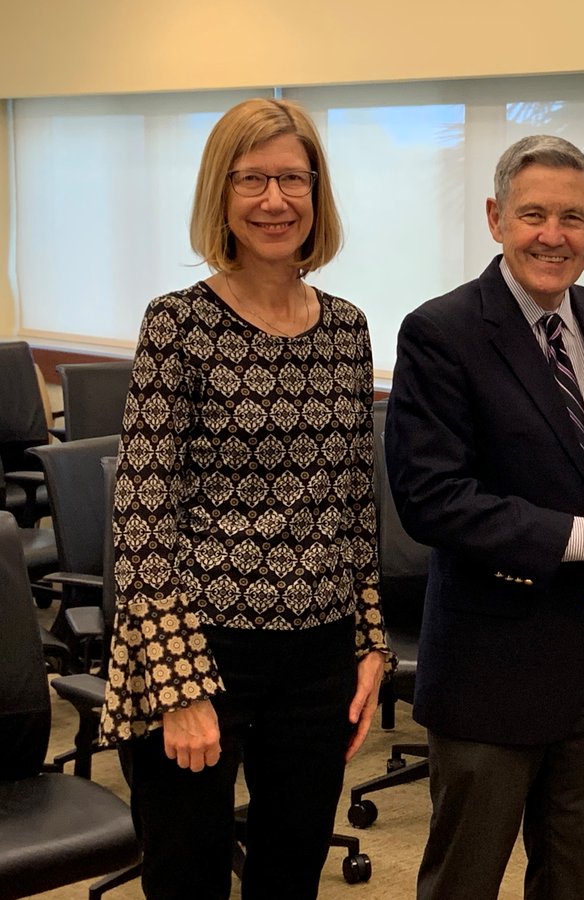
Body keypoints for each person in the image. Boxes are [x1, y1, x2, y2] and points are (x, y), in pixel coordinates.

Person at [386, 134, 584, 900]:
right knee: (464, 880)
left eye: (571, 217)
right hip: (490, 670)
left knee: (574, 881)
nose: (552, 236)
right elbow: (431, 497)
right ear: (497, 217)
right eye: (532, 214)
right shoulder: (443, 332)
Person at [99, 98, 390, 900]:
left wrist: (369, 641)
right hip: (204, 648)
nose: (274, 200)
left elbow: (352, 505)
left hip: (319, 650)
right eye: (252, 179)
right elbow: (143, 517)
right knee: (188, 876)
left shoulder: (346, 328)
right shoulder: (177, 326)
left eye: (292, 179)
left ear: (316, 192)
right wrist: (179, 686)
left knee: (292, 873)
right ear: (221, 196)